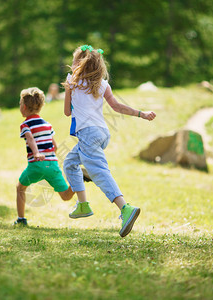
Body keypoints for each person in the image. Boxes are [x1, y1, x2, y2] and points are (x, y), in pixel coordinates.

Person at [62, 45, 156, 237]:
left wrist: (68, 90)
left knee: (99, 172)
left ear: (79, 64)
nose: (71, 65)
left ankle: (125, 208)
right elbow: (117, 107)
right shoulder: (103, 84)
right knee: (70, 163)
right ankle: (83, 204)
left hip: (87, 134)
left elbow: (67, 112)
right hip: (102, 133)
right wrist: (141, 114)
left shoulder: (72, 81)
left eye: (73, 62)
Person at [15, 87, 75, 226]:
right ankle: (79, 181)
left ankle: (21, 219)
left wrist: (36, 153)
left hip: (37, 164)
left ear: (24, 107)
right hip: (52, 164)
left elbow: (30, 138)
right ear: (40, 106)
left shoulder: (25, 124)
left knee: (20, 188)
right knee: (66, 195)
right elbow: (55, 146)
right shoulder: (47, 125)